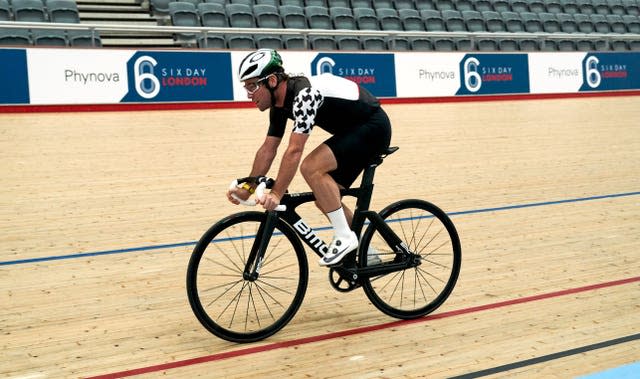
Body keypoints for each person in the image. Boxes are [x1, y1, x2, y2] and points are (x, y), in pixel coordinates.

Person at [226, 49, 392, 266]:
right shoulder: (279, 105)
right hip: (354, 131)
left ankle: (345, 237)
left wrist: (276, 194)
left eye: (252, 85)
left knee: (311, 167)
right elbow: (268, 149)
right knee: (326, 200)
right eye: (246, 87)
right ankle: (367, 254)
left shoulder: (305, 95)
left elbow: (295, 151)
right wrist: (249, 186)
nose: (249, 93)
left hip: (373, 127)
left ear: (272, 81)